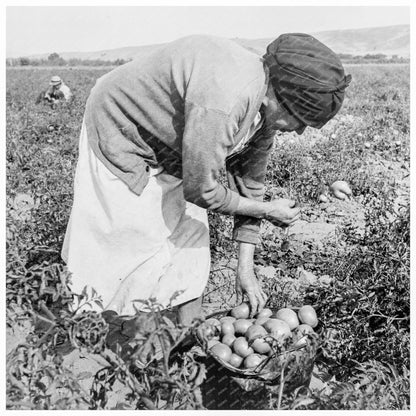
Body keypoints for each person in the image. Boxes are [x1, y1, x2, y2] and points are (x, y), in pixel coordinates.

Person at [62, 34, 351, 331]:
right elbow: (201, 189)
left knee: (190, 237)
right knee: (135, 241)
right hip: (122, 127)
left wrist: (245, 268)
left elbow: (249, 184)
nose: (301, 131)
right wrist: (265, 210)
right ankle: (115, 338)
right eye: (300, 120)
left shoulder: (264, 106)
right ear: (280, 98)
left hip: (175, 144)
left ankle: (191, 335)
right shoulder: (227, 99)